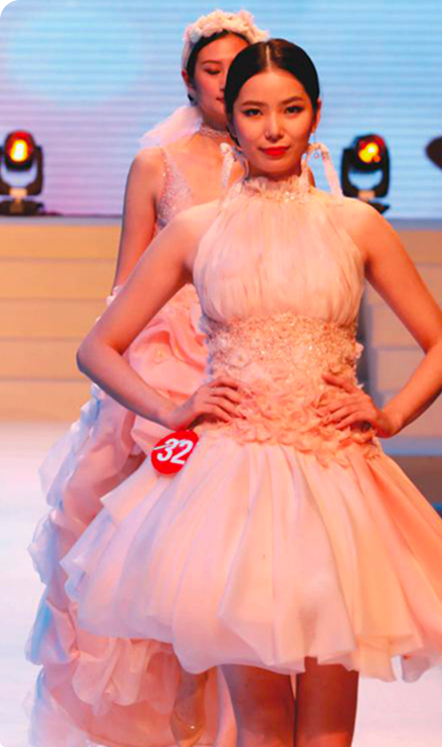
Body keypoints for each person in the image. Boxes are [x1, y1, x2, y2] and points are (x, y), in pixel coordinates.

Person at [60, 38, 442, 747]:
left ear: (315, 113)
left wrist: (389, 414)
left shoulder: (355, 223)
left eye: (290, 109)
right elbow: (97, 347)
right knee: (260, 727)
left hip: (336, 480)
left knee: (328, 732)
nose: (273, 128)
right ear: (229, 117)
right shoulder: (197, 230)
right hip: (232, 484)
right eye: (253, 111)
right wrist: (173, 408)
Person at [25, 11, 268, 747]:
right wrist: (133, 378)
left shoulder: (278, 161)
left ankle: (224, 705)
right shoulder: (156, 163)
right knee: (141, 539)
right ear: (188, 80)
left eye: (237, 68)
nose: (223, 83)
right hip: (166, 352)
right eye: (211, 70)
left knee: (239, 547)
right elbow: (127, 280)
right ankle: (158, 708)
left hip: (249, 354)